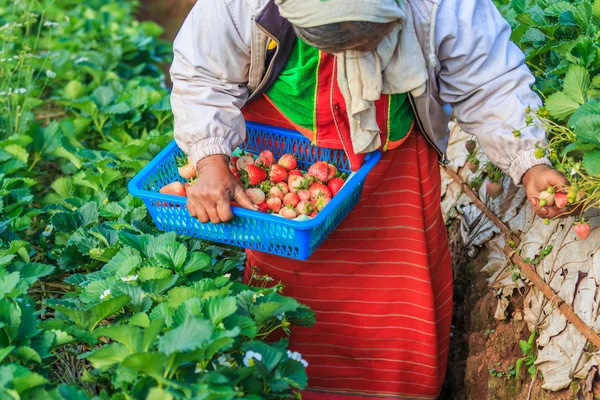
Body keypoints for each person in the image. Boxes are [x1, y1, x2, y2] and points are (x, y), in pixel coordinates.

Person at [170, 0, 568, 398]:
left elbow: (490, 80)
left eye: (364, 36)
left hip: (389, 164)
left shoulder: (440, 5)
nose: (348, 50)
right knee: (288, 301)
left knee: (396, 304)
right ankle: (287, 385)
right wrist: (210, 158)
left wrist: (530, 162)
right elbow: (202, 72)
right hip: (284, 151)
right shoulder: (240, 5)